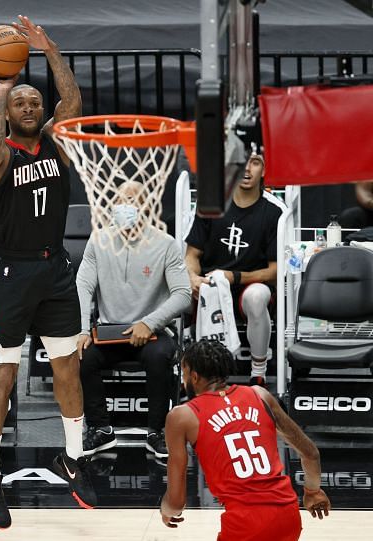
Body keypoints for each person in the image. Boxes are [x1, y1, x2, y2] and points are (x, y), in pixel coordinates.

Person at [0, 14, 94, 529]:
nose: (29, 106)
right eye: (20, 102)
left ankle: (73, 457)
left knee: (68, 367)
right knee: (3, 373)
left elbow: (74, 103)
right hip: (11, 274)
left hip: (55, 271)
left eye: (33, 101)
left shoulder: (56, 142)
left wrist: (50, 50)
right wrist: (0, 91)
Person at [161, 339, 331, 540]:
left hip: (245, 523)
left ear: (195, 377)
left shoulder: (181, 416)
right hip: (288, 516)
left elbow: (176, 503)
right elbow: (311, 454)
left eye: (184, 373)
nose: (183, 380)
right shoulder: (259, 394)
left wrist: (166, 511)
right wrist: (313, 491)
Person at [76, 181, 191, 459]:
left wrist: (149, 322)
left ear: (148, 207)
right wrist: (81, 331)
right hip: (110, 330)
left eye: (132, 199)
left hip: (151, 332)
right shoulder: (98, 241)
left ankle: (157, 432)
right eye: (119, 200)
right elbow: (82, 285)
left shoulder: (166, 244)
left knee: (160, 356)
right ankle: (101, 429)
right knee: (83, 355)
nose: (124, 205)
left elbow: (183, 294)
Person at [185, 153, 286, 386]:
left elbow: (275, 271)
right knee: (176, 289)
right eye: (242, 162)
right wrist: (192, 277)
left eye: (255, 162)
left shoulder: (275, 212)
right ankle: (190, 370)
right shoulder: (211, 204)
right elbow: (191, 255)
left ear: (265, 169)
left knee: (257, 296)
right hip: (210, 286)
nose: (247, 169)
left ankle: (258, 372)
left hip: (248, 286)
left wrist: (235, 277)